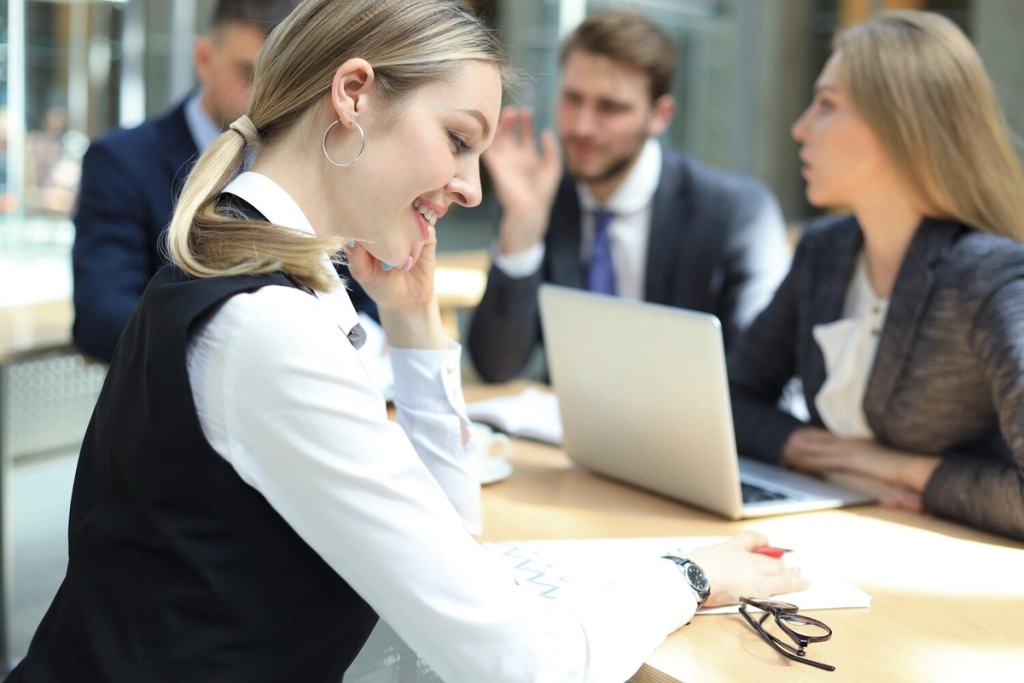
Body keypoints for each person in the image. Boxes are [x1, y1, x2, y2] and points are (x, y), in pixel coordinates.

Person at [9, 1, 806, 681]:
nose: (473, 185)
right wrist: (687, 576)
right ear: (353, 93)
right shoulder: (269, 325)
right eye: (460, 139)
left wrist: (416, 323)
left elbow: (446, 532)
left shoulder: (253, 265)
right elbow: (517, 663)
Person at [728, 10, 1024, 541]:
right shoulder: (824, 249)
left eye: (826, 105)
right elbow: (736, 397)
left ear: (900, 126)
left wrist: (894, 467)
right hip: (842, 533)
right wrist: (806, 450)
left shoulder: (989, 279)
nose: (800, 129)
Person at [467, 10, 790, 383]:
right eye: (573, 99)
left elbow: (753, 381)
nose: (582, 126)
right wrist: (522, 227)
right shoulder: (545, 196)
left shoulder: (734, 214)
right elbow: (496, 366)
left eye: (611, 107)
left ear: (660, 115)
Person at [70, 0, 370, 363]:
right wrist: (247, 360)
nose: (267, 96)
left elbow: (361, 292)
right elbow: (101, 316)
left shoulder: (326, 161)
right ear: (203, 59)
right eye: (248, 74)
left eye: (286, 79)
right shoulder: (123, 162)